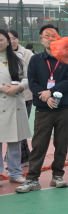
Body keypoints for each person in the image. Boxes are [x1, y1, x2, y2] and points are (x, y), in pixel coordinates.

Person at [16, 25, 68, 193]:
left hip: (64, 109)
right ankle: (32, 179)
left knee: (61, 144)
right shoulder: (35, 60)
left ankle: (57, 176)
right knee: (39, 145)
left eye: (53, 36)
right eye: (46, 37)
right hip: (43, 109)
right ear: (41, 40)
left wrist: (51, 91)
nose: (50, 40)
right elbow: (32, 81)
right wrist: (46, 97)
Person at [0, 29, 30, 187]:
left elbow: (26, 78)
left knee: (15, 141)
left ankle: (15, 172)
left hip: (15, 103)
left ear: (8, 41)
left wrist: (19, 87)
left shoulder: (18, 58)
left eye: (1, 39)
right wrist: (1, 88)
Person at [8, 29, 34, 166]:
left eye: (14, 38)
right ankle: (23, 158)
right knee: (11, 128)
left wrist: (20, 86)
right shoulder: (4, 55)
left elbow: (31, 74)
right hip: (7, 97)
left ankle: (21, 159)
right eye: (9, 39)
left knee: (20, 127)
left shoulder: (27, 54)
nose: (12, 41)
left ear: (18, 39)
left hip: (25, 96)